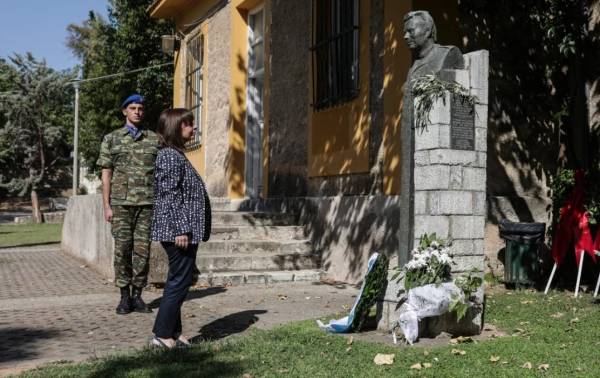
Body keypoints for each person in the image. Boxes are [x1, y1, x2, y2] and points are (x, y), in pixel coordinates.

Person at [151, 108, 211, 348]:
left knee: (179, 280)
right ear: (176, 127)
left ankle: (173, 333)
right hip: (178, 231)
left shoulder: (176, 155)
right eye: (188, 124)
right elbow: (169, 195)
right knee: (180, 282)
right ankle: (162, 335)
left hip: (183, 230)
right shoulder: (169, 156)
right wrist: (180, 229)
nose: (193, 128)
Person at [97, 94, 159, 315]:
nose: (137, 111)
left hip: (147, 204)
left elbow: (160, 173)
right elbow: (106, 174)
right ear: (124, 111)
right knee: (122, 250)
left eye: (140, 108)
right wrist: (107, 206)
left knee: (142, 251)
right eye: (132, 108)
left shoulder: (154, 139)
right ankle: (124, 296)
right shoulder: (111, 139)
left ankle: (138, 296)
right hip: (121, 204)